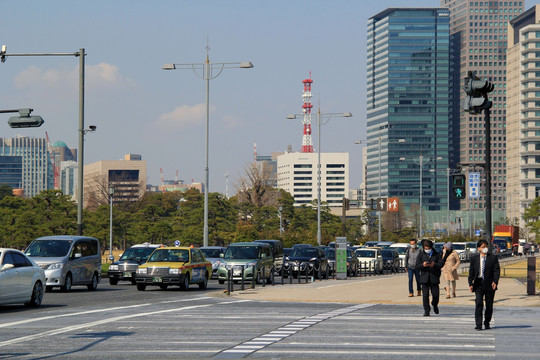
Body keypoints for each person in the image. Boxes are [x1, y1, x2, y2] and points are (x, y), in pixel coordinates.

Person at [468, 239, 500, 331]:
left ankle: (487, 322)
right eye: (483, 247)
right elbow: (471, 272)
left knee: (489, 304)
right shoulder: (474, 258)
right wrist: (470, 283)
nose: (485, 248)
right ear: (479, 248)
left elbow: (496, 271)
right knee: (478, 303)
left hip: (489, 284)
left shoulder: (493, 258)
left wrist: (495, 281)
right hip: (478, 283)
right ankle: (478, 324)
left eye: (486, 246)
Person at [415, 239, 444, 316]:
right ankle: (426, 310)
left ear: (431, 247)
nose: (426, 249)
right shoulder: (421, 254)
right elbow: (417, 266)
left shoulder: (437, 254)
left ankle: (434, 304)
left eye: (428, 248)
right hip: (424, 278)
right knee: (425, 295)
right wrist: (423, 265)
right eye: (425, 248)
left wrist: (434, 264)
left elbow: (441, 264)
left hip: (434, 277)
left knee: (435, 294)